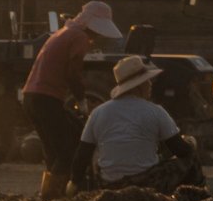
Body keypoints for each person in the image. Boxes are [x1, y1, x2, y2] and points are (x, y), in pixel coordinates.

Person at [22, 1, 123, 201]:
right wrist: (81, 100)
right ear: (93, 25)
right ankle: (53, 199)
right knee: (68, 151)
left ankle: (51, 199)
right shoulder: (79, 37)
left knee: (53, 151)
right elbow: (73, 73)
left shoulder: (63, 32)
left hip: (31, 96)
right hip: (47, 98)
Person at [70, 55, 203, 193]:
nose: (151, 85)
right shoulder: (155, 111)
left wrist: (73, 182)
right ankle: (195, 196)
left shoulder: (98, 113)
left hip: (109, 185)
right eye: (147, 81)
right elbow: (179, 149)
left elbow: (82, 155)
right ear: (138, 86)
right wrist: (191, 144)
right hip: (147, 184)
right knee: (190, 155)